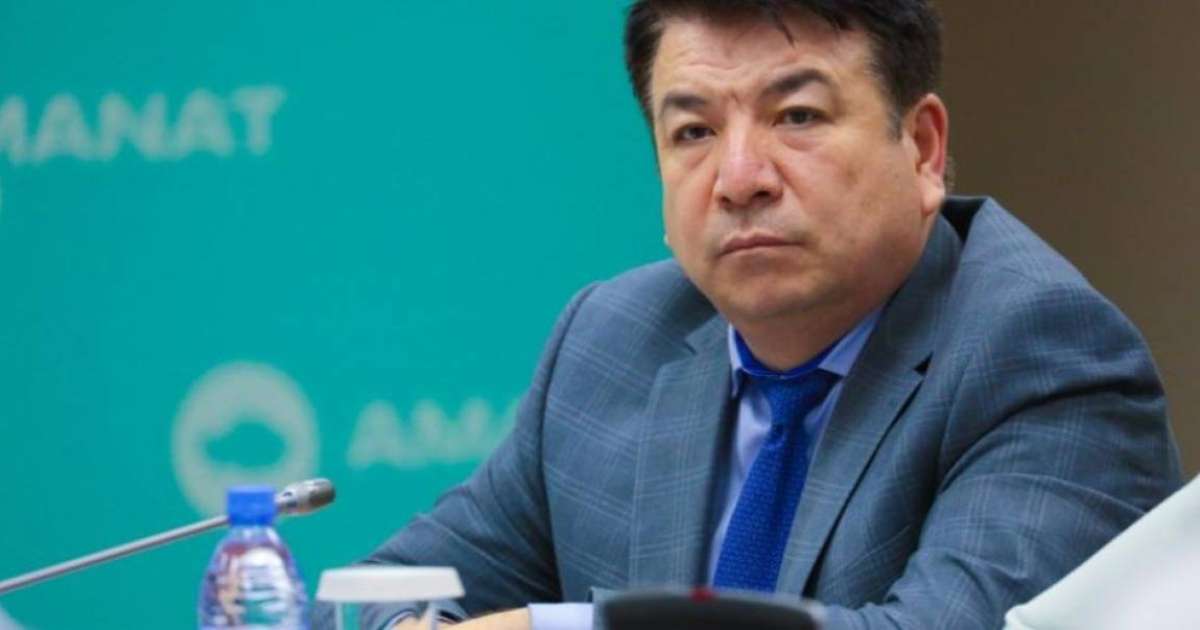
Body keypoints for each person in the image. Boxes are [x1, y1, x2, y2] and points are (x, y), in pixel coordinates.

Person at [354, 1, 1182, 628]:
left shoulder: (1044, 353)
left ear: (923, 148)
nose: (740, 177)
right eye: (693, 132)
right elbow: (389, 590)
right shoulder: (613, 338)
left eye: (797, 117)